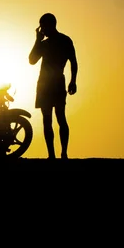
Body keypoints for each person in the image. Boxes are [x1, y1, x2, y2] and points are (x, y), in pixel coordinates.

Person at [29, 13, 78, 159]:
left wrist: (73, 80)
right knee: (49, 119)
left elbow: (73, 62)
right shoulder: (47, 43)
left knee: (59, 117)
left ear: (49, 25)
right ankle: (52, 154)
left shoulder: (62, 41)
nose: (42, 29)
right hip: (47, 83)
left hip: (53, 82)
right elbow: (31, 60)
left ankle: (62, 153)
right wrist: (37, 41)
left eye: (43, 26)